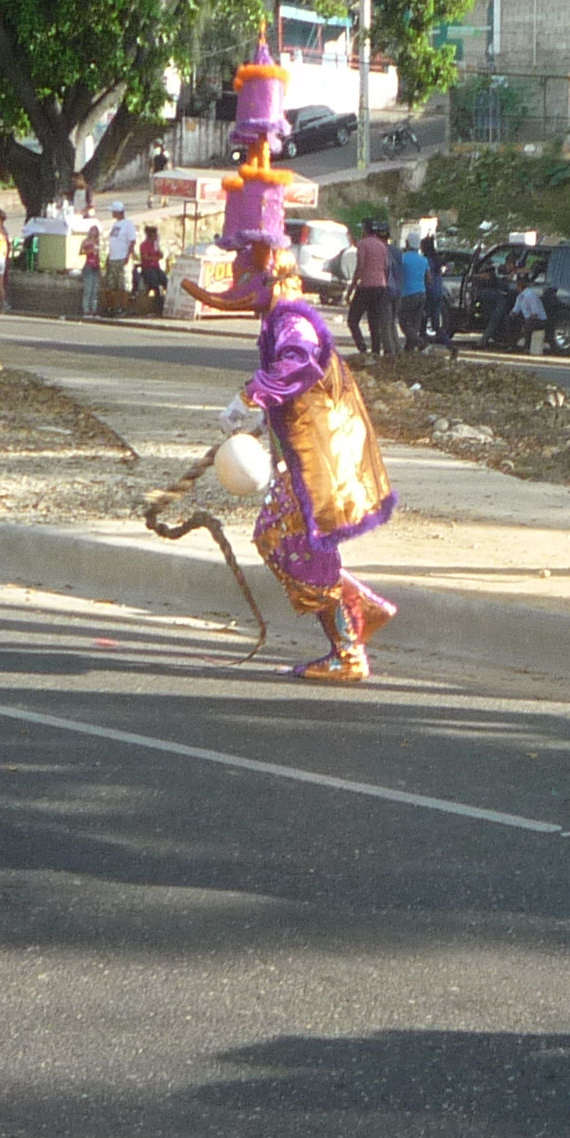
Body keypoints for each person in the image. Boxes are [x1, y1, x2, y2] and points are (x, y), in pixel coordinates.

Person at [189, 47, 396, 682]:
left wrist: (252, 394)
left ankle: (350, 643)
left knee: (289, 545)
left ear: (267, 271)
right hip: (304, 459)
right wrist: (258, 418)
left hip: (323, 465)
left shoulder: (293, 321)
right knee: (280, 542)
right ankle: (353, 617)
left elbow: (301, 367)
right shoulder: (282, 317)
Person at [347, 216, 392, 356]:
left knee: (353, 320)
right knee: (374, 321)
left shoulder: (362, 244)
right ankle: (376, 351)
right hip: (381, 286)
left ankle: (362, 348)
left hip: (366, 286)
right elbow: (385, 267)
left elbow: (360, 268)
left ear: (365, 229)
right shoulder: (381, 245)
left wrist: (351, 289)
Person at [396, 232, 429, 350]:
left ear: (407, 243)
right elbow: (428, 279)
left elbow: (397, 275)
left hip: (408, 293)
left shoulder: (403, 259)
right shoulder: (424, 260)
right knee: (415, 323)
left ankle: (420, 343)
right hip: (422, 293)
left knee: (403, 321)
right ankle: (409, 349)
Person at [106, 199, 138, 296]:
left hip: (122, 257)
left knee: (123, 285)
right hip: (113, 258)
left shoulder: (128, 224)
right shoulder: (115, 224)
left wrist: (128, 256)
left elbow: (132, 241)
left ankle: (122, 307)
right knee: (112, 284)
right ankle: (113, 307)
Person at [136, 224, 167, 301]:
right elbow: (145, 257)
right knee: (155, 284)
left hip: (156, 267)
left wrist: (158, 247)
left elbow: (160, 255)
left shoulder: (155, 245)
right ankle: (157, 301)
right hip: (148, 268)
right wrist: (155, 258)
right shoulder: (144, 245)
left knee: (166, 281)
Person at [80, 221, 103, 317]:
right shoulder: (86, 241)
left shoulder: (98, 242)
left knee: (94, 289)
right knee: (88, 289)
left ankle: (93, 309)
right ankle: (86, 310)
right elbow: (81, 252)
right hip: (89, 265)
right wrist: (89, 250)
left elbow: (99, 255)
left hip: (96, 266)